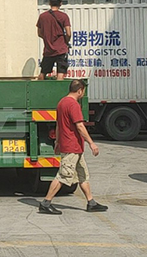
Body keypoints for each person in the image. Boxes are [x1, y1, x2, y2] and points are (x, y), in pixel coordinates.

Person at [39, 79, 108, 215]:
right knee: (63, 176)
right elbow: (80, 126)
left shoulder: (61, 103)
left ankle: (91, 202)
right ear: (80, 90)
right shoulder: (73, 105)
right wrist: (91, 143)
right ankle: (46, 203)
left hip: (73, 147)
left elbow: (58, 125)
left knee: (82, 174)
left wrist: (58, 142)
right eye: (83, 92)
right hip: (71, 147)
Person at [36, 0, 71, 80]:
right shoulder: (64, 16)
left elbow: (39, 33)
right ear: (60, 3)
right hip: (61, 49)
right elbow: (68, 33)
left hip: (48, 50)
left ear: (49, 3)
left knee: (43, 73)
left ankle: (38, 90)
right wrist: (66, 41)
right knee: (60, 73)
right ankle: (58, 92)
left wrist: (48, 38)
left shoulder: (42, 16)